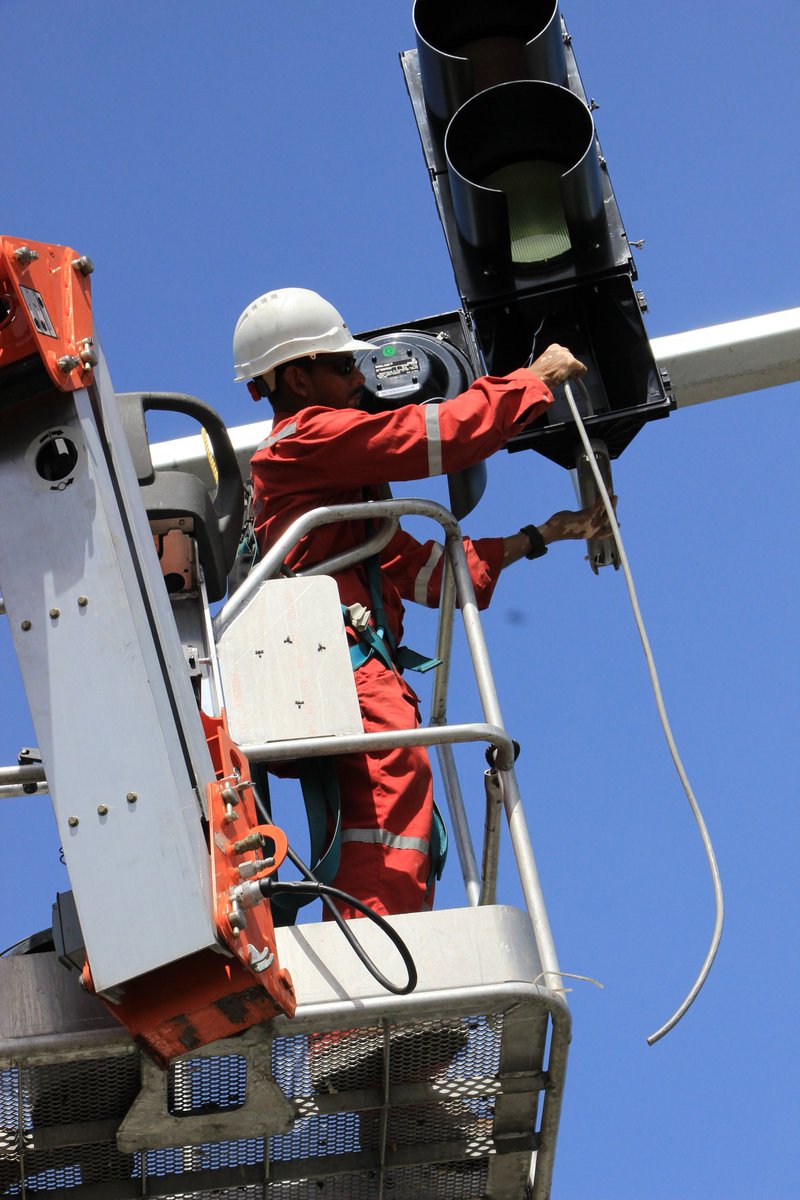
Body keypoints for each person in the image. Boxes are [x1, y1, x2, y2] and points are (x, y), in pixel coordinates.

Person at [233, 288, 613, 922]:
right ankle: (372, 1000)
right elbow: (435, 437)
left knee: (402, 814)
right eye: (343, 365)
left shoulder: (337, 498)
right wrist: (531, 381)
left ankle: (388, 973)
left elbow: (433, 576)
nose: (360, 378)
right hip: (340, 666)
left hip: (350, 666)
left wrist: (543, 534)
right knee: (391, 803)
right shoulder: (305, 441)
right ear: (297, 377)